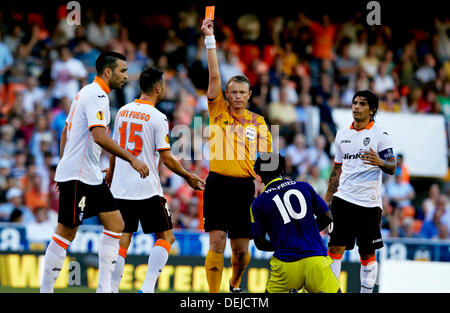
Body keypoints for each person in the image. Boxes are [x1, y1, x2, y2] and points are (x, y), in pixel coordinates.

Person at [40, 52, 150, 293]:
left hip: (89, 175)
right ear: (108, 72)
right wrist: (131, 159)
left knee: (116, 223)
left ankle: (104, 289)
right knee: (66, 232)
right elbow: (100, 137)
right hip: (79, 177)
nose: (126, 75)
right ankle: (45, 291)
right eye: (122, 70)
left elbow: (66, 132)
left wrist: (63, 164)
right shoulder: (97, 95)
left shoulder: (85, 93)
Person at [107, 67, 205, 293]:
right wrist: (188, 175)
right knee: (166, 237)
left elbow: (113, 148)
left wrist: (111, 173)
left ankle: (111, 288)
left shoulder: (122, 111)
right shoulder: (158, 117)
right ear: (159, 88)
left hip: (121, 187)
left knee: (123, 238)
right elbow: (168, 159)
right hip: (147, 188)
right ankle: (148, 288)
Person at [201, 18, 273, 293]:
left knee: (242, 252)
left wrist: (261, 181)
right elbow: (214, 75)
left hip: (246, 188)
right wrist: (210, 40)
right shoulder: (217, 109)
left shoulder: (259, 121)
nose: (238, 96)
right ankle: (214, 295)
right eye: (233, 92)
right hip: (218, 183)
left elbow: (268, 156)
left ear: (249, 94)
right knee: (217, 242)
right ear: (226, 94)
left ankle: (234, 283)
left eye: (243, 92)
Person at [324, 90, 396, 293]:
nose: (356, 106)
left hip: (369, 203)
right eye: (354, 102)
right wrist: (327, 199)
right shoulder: (341, 134)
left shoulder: (381, 136)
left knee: (367, 253)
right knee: (335, 248)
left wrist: (379, 162)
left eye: (362, 104)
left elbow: (392, 167)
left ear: (372, 109)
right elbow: (336, 169)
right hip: (343, 199)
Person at [251, 152, 340, 293]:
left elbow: (260, 243)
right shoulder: (304, 187)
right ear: (282, 169)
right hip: (315, 260)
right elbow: (328, 217)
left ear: (259, 175)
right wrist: (305, 233)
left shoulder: (258, 203)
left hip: (286, 266)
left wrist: (285, 242)